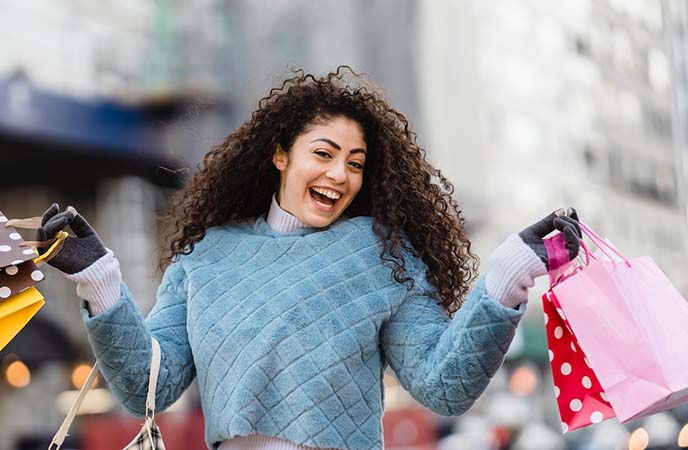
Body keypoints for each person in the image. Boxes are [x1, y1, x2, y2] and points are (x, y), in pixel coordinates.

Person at [36, 67, 581, 450]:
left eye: (355, 163)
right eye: (323, 153)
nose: (339, 175)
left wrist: (509, 274)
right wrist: (98, 278)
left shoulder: (381, 254)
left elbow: (445, 385)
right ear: (280, 155)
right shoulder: (206, 257)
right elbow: (144, 389)